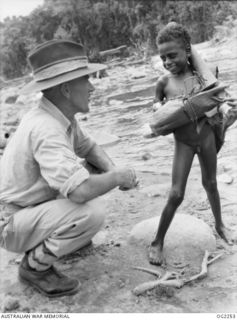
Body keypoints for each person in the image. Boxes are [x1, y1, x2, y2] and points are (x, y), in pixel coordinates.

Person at [0, 39, 138, 297]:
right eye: (86, 80)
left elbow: (89, 147)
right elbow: (80, 193)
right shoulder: (46, 128)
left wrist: (112, 171)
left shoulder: (58, 116)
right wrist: (117, 176)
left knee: (93, 169)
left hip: (29, 209)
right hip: (10, 222)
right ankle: (34, 268)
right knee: (91, 211)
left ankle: (64, 239)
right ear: (65, 89)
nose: (93, 87)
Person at [148, 22, 236, 266]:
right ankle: (157, 241)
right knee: (176, 194)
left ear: (188, 52)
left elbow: (218, 100)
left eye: (172, 55)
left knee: (211, 184)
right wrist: (159, 108)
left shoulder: (203, 76)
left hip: (206, 137)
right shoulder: (164, 83)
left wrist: (227, 110)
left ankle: (220, 225)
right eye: (162, 57)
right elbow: (156, 109)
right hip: (183, 143)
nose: (167, 61)